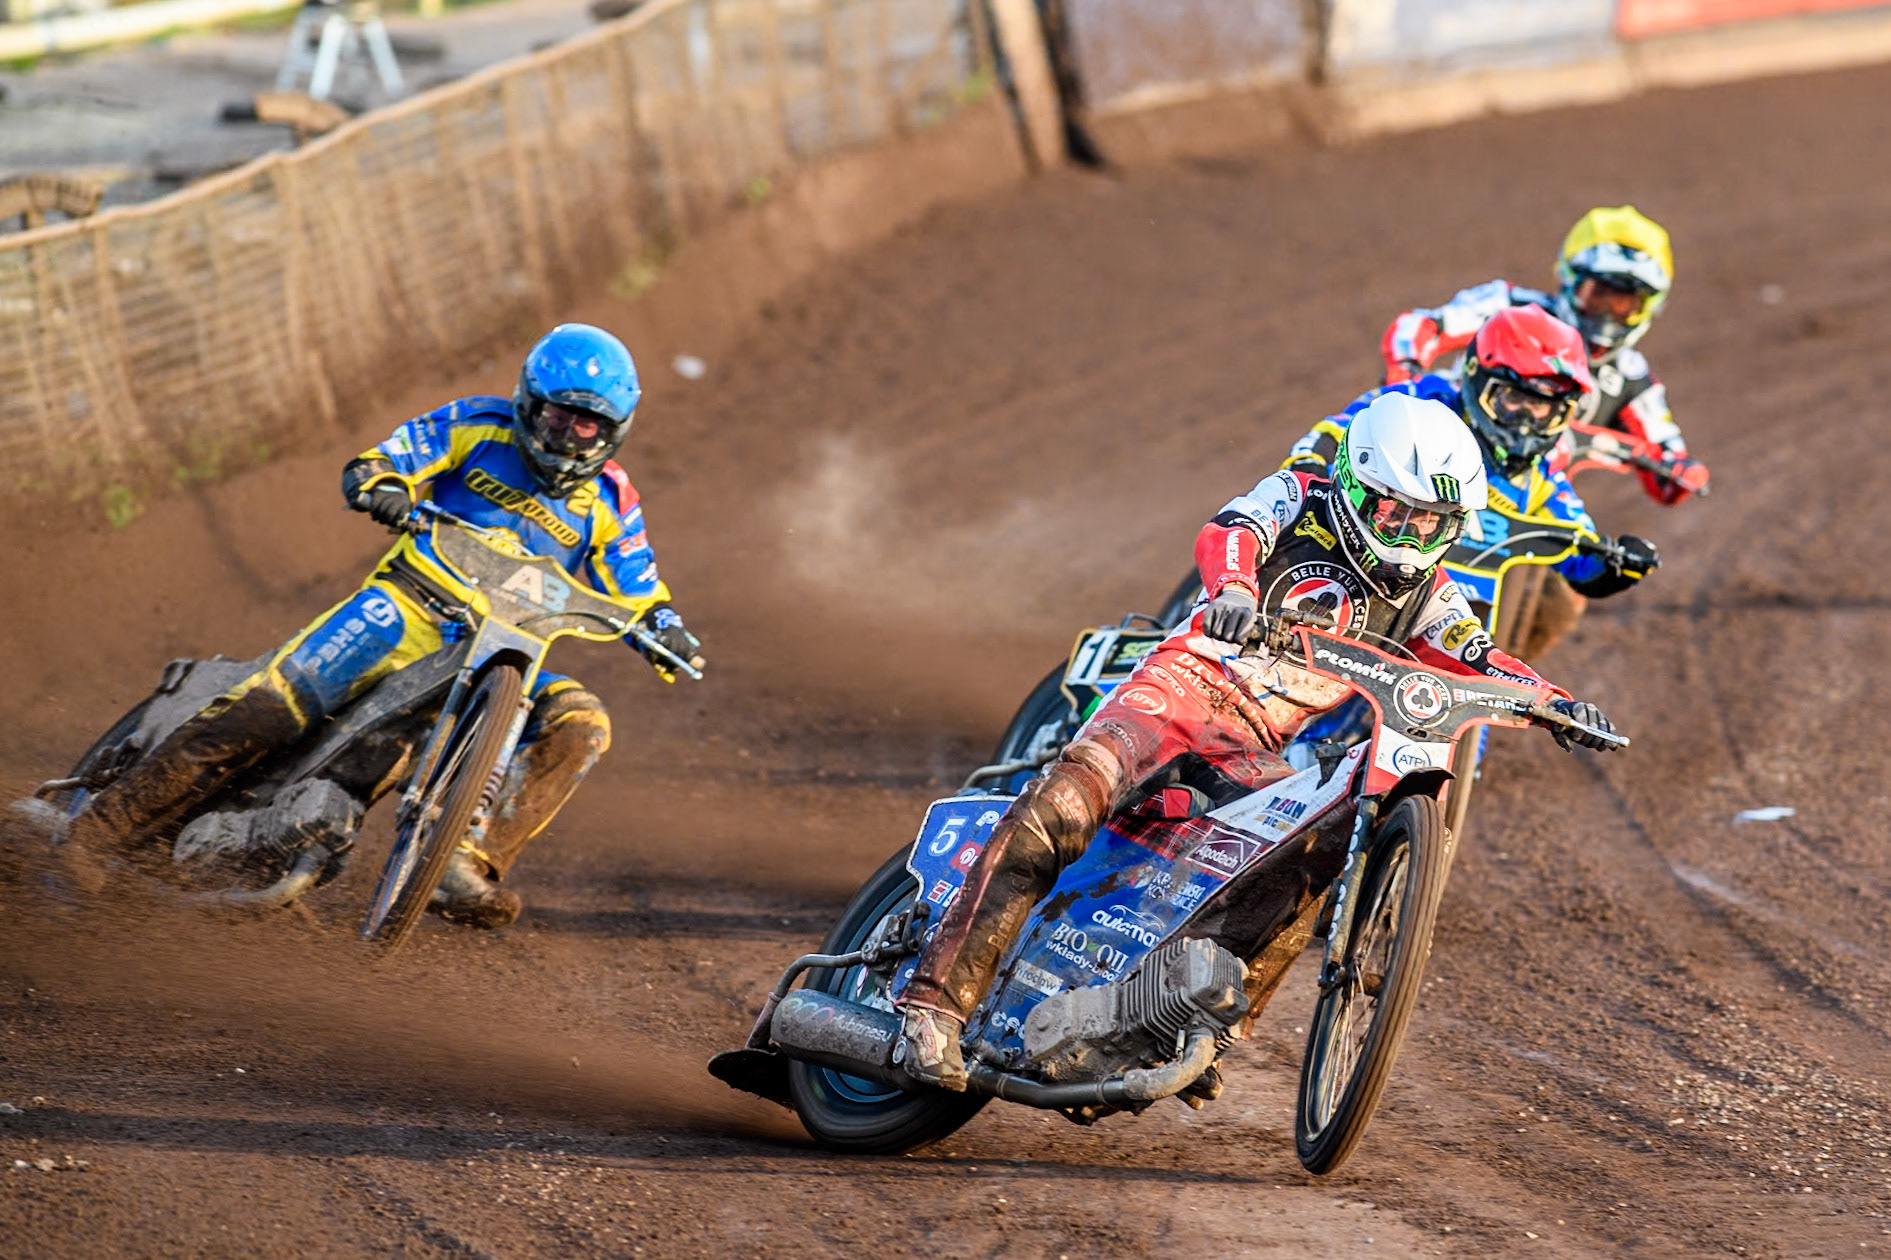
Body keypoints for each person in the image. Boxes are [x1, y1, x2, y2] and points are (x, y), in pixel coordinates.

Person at [895, 393, 1620, 1089]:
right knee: (1066, 803)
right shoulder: (1299, 495)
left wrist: (1551, 702)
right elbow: (1229, 532)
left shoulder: (1430, 595)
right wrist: (1236, 589)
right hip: (1178, 695)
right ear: (1355, 486)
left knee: (1311, 853)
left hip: (1253, 749)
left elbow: (1475, 654)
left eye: (1433, 526)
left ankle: (1182, 1022)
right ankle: (931, 1003)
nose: (1410, 540)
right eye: (1397, 514)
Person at [58, 324, 704, 929]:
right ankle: (99, 833)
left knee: (582, 724)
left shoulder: (614, 500)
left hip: (509, 651)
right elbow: (389, 458)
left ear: (614, 430)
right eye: (558, 416)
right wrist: (381, 484)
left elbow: (639, 586)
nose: (569, 436)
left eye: (588, 426)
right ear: (527, 404)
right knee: (268, 709)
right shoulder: (480, 426)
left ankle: (462, 862)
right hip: (408, 610)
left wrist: (665, 630)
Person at [1288, 304, 1661, 653]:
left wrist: (1620, 566)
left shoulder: (1538, 477)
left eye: (1543, 408)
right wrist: (1310, 472)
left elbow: (1582, 557)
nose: (1527, 422)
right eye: (1514, 400)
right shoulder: (1419, 401)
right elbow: (1333, 433)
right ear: (1475, 377)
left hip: (1448, 639)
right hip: (1349, 592)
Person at [1380, 205, 1708, 506]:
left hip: (1530, 498)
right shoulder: (1508, 308)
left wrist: (1681, 471)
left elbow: (1668, 466)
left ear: (1648, 307)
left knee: (1587, 555)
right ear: (1570, 279)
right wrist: (1405, 368)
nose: (1607, 314)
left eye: (1624, 303)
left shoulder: (1632, 378)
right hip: (1436, 455)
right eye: (1599, 295)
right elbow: (1420, 326)